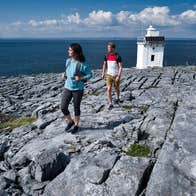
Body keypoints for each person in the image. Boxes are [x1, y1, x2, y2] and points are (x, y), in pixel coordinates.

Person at [61, 43, 93, 133]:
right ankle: (70, 121)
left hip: (78, 89)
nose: (68, 51)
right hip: (67, 87)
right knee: (63, 107)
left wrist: (81, 78)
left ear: (75, 52)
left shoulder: (83, 64)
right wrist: (64, 75)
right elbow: (68, 71)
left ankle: (76, 125)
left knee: (76, 107)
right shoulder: (68, 61)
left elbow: (90, 74)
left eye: (70, 50)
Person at [101, 42, 123, 110]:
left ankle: (117, 98)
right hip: (109, 75)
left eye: (109, 48)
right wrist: (103, 73)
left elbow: (120, 67)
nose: (108, 49)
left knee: (116, 88)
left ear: (113, 48)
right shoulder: (106, 55)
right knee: (109, 89)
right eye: (108, 48)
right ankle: (110, 103)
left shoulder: (118, 56)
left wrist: (118, 76)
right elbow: (104, 65)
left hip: (116, 75)